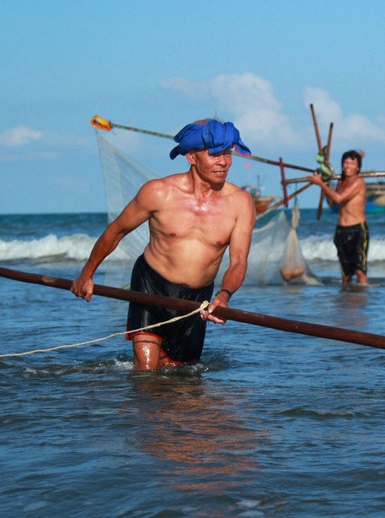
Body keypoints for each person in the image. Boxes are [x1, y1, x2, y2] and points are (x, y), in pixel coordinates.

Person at [71, 119, 256, 370]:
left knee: (180, 378)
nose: (223, 162)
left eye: (227, 153)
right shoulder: (158, 193)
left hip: (196, 299)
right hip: (151, 286)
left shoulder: (241, 203)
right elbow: (116, 231)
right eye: (214, 154)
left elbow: (238, 262)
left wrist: (224, 296)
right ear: (191, 157)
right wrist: (86, 274)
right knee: (147, 373)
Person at [306, 149, 370, 285]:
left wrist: (320, 183)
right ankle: (346, 301)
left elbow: (339, 198)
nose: (348, 166)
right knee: (346, 274)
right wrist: (326, 183)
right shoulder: (341, 182)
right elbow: (332, 202)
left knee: (360, 271)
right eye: (346, 163)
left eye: (352, 164)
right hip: (341, 230)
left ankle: (364, 302)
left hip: (358, 230)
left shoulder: (359, 182)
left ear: (358, 167)